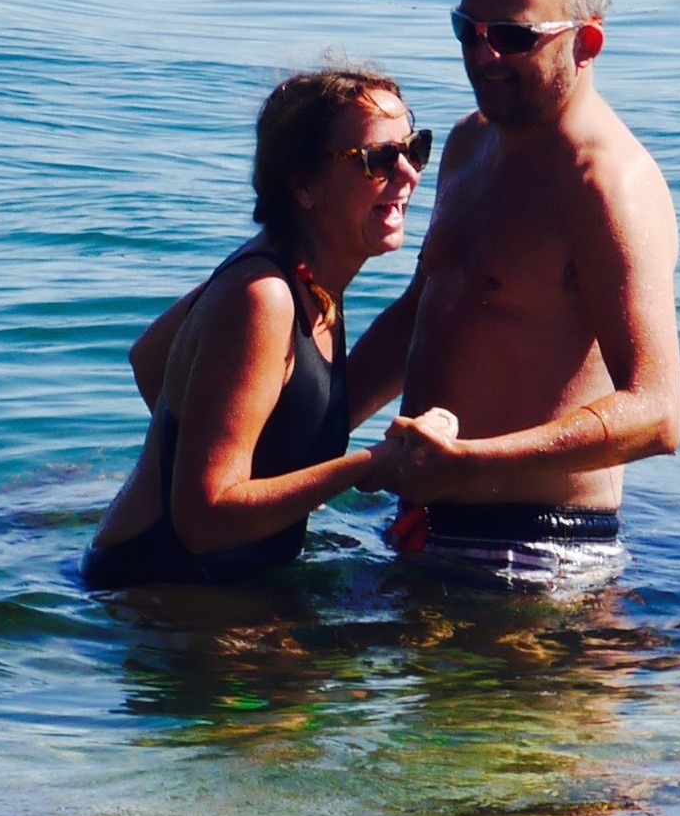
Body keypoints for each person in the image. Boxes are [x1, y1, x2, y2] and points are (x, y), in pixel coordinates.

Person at [349, 0, 680, 593]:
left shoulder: (609, 185)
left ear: (585, 43)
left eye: (511, 37)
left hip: (536, 556)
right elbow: (423, 313)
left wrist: (470, 463)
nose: (482, 55)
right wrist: (300, 433)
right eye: (466, 31)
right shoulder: (473, 142)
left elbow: (656, 412)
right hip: (422, 524)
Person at [84, 63, 437, 590]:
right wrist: (370, 465)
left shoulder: (301, 277)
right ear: (305, 186)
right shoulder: (263, 296)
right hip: (159, 593)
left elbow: (150, 358)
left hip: (212, 587)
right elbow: (204, 521)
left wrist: (222, 431)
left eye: (415, 149)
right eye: (379, 159)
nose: (408, 174)